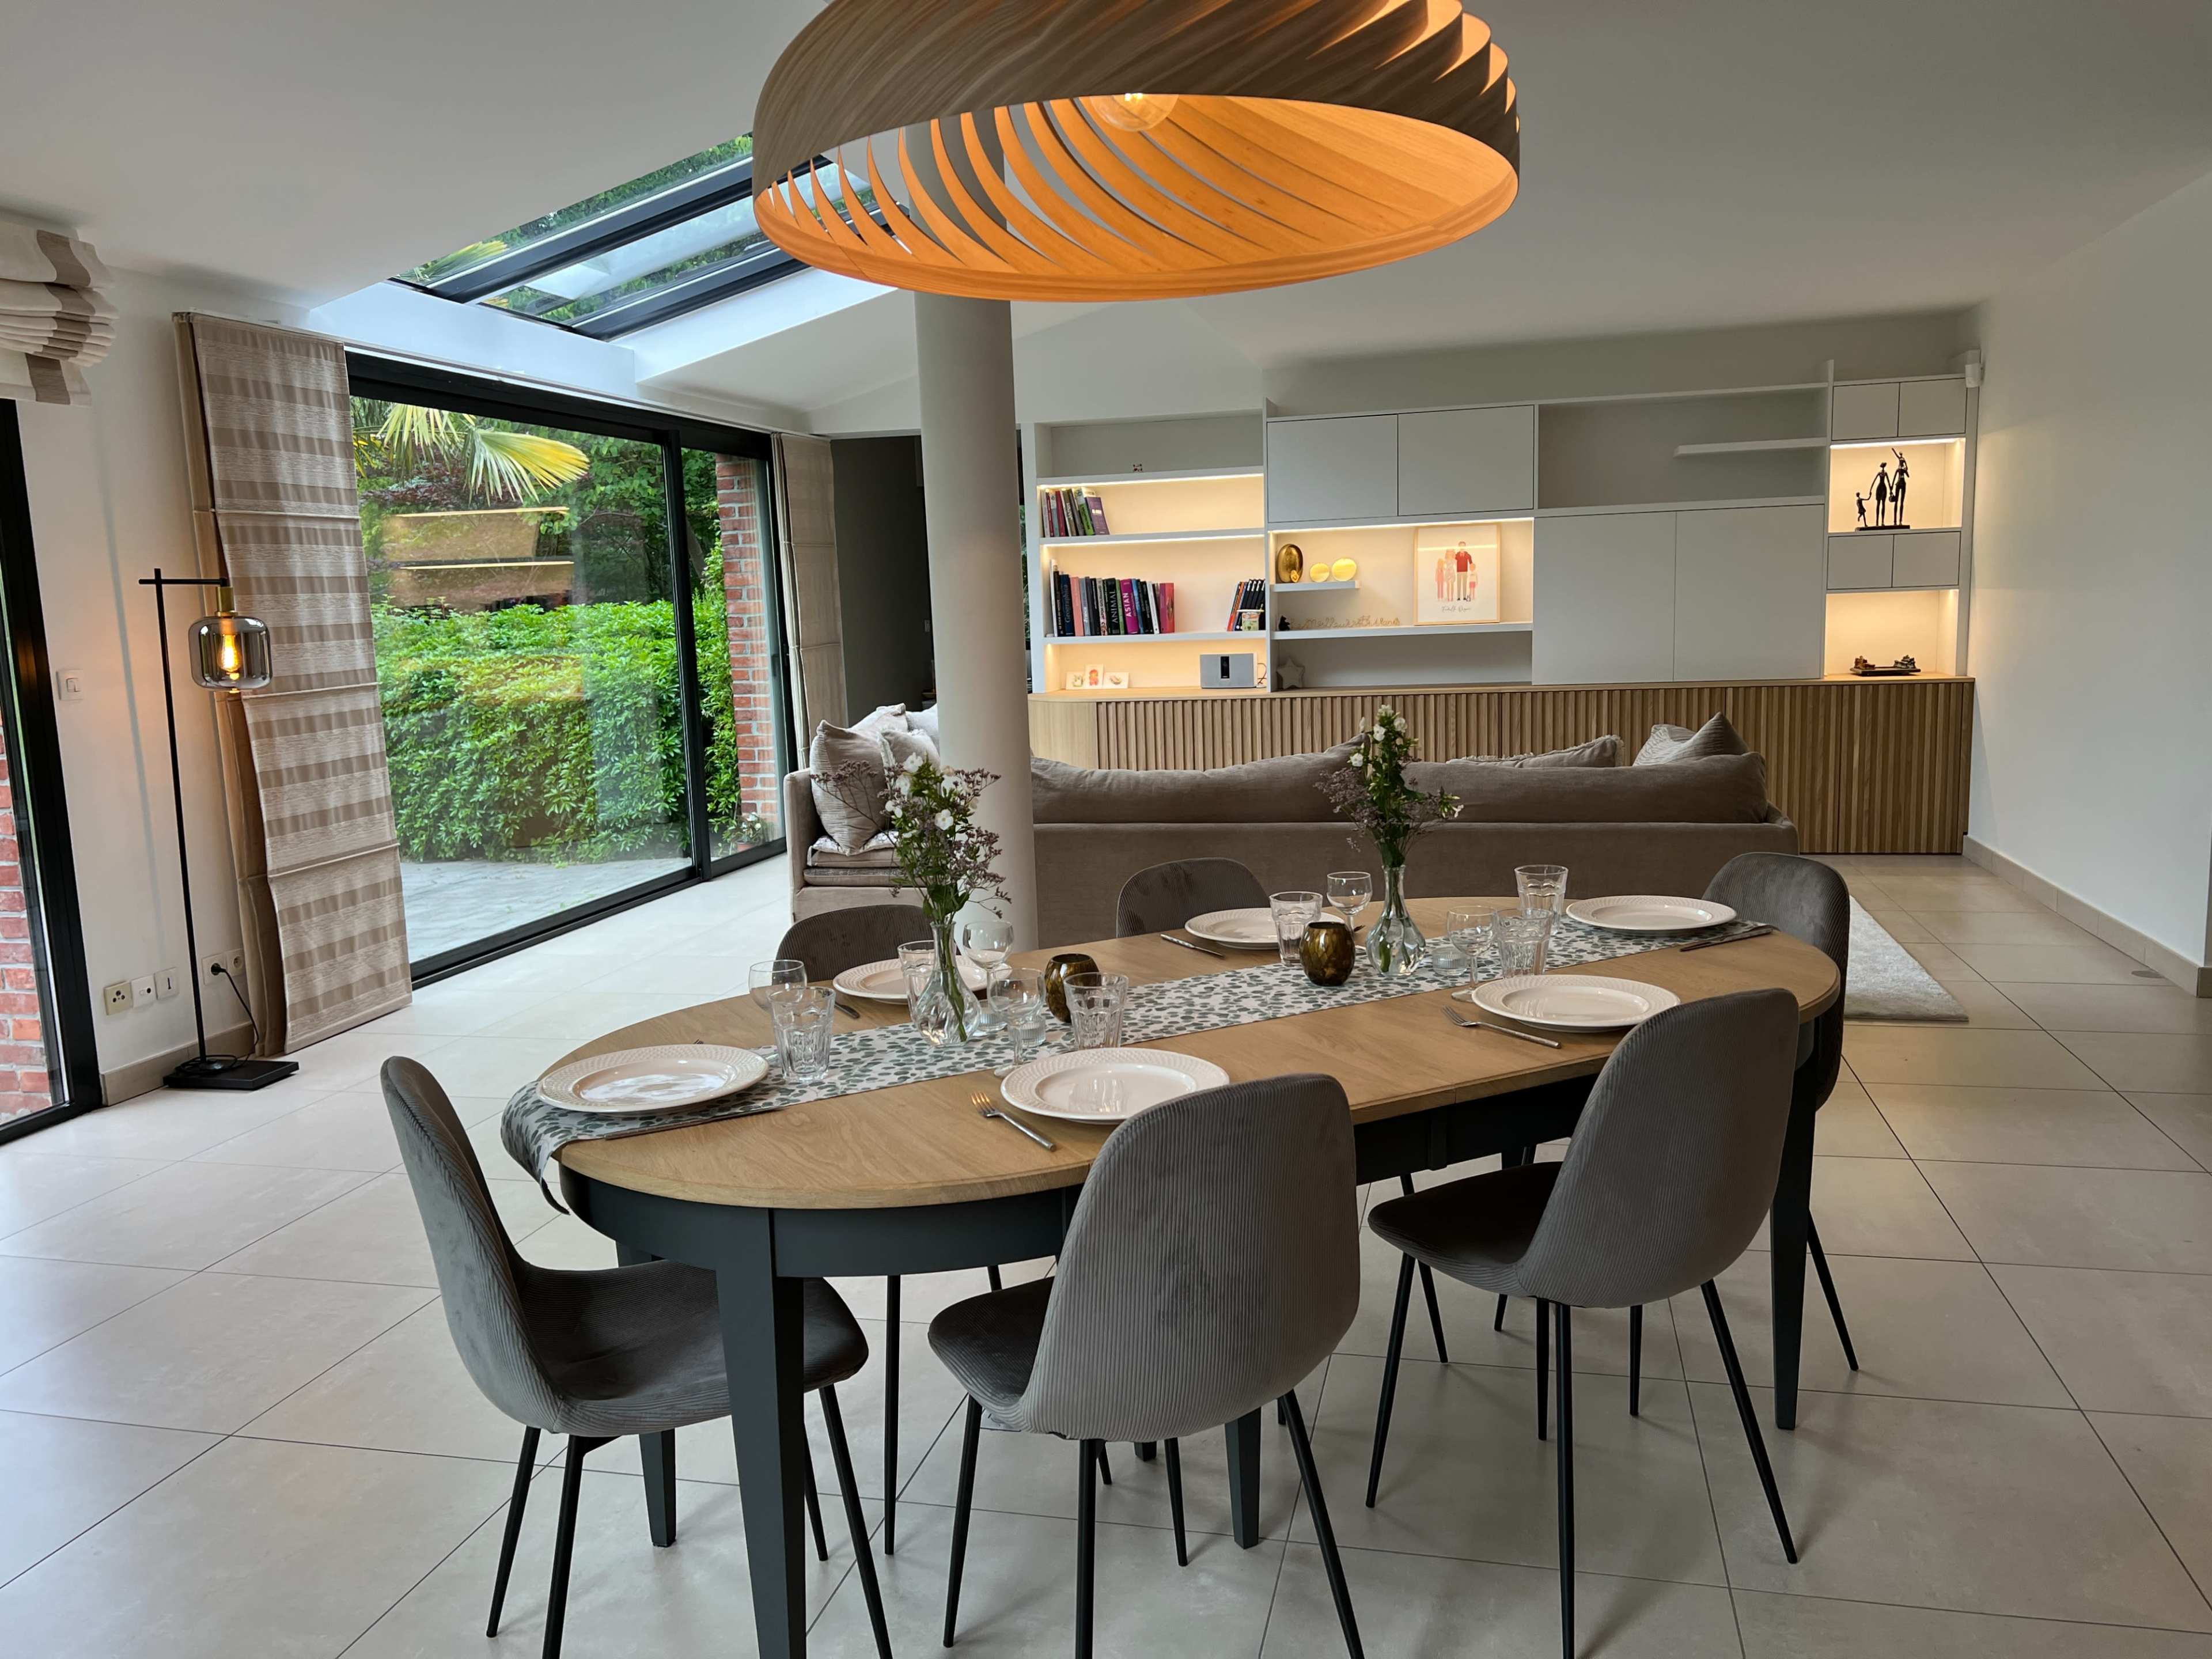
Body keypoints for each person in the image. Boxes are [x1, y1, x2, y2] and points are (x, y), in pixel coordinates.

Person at [1889, 449, 1910, 527]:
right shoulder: (1898, 470)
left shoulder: (1901, 469)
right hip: (1899, 484)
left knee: (1902, 503)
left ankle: (1900, 521)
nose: (1901, 462)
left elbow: (1908, 476)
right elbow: (1894, 479)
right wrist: (1891, 487)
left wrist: (1906, 470)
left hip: (1902, 483)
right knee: (1897, 502)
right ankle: (1895, 521)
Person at [1870, 460, 1891, 527]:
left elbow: (1888, 482)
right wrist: (1870, 490)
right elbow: (1874, 481)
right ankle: (1877, 522)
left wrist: (1891, 490)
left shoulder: (1886, 473)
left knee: (1883, 505)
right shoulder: (1879, 473)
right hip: (1879, 489)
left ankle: (1882, 521)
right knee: (1878, 505)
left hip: (1884, 488)